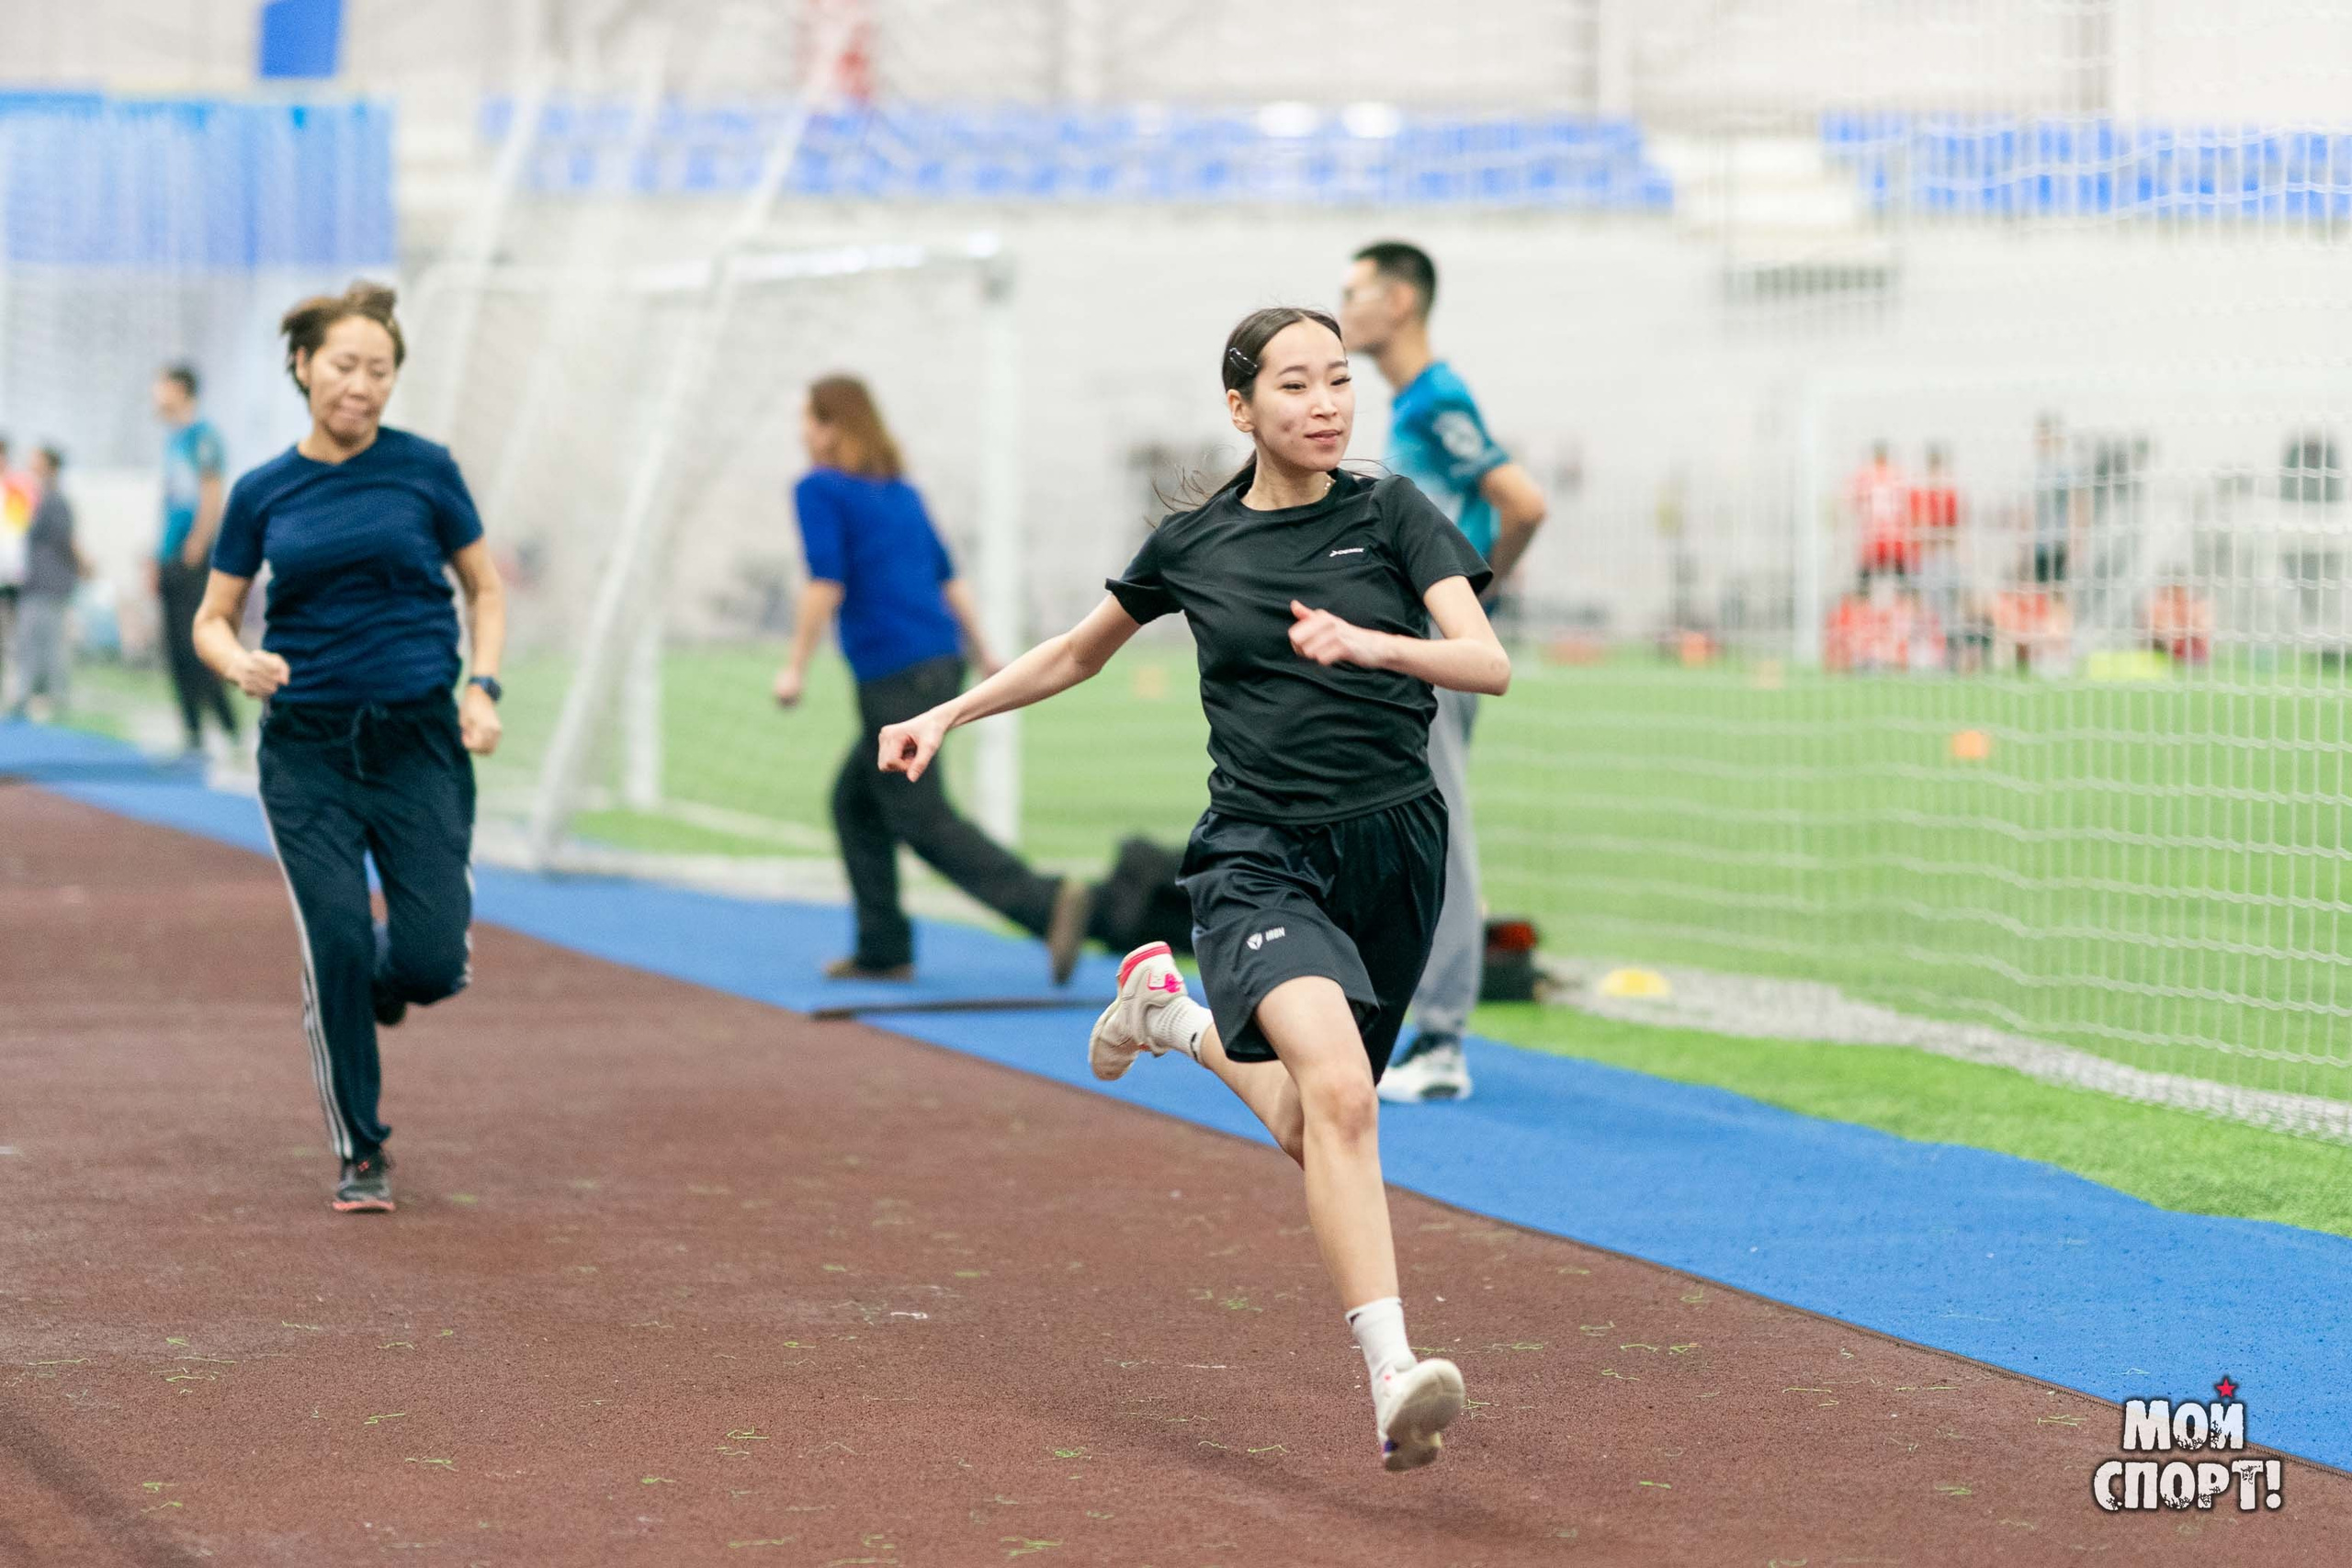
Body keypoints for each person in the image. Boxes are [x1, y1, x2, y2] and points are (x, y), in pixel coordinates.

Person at [875, 307, 1509, 1472]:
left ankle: (1167, 1015)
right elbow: (1075, 652)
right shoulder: (1196, 543)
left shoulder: (1394, 515)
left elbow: (1487, 662)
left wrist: (1379, 646)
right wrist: (943, 712)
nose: (1324, 405)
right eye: (1294, 386)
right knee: (1345, 1103)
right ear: (1240, 408)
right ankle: (1392, 1377)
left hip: (1394, 847)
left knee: (1309, 1123)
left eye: (1337, 382)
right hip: (1259, 853)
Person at [191, 282, 506, 1215]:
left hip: (418, 740)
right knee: (331, 937)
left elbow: (483, 589)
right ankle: (360, 1147)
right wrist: (239, 661)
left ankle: (389, 970)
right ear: (302, 367)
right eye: (343, 365)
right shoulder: (263, 491)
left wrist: (481, 689)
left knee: (429, 965)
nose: (361, 385)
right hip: (309, 750)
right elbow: (211, 619)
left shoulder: (427, 470)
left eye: (379, 369)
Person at [774, 374, 1094, 985]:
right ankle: (883, 946)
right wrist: (982, 648)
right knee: (856, 804)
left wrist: (794, 666)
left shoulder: (820, 488)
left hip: (894, 671)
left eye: (809, 422)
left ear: (834, 426)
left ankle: (1046, 903)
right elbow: (948, 577)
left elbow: (825, 581)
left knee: (921, 817)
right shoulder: (900, 492)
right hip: (937, 661)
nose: (803, 435)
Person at [1337, 239, 1547, 1104]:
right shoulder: (1407, 402)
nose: (1342, 307)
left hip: (1433, 645)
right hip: (1411, 641)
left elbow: (1523, 501)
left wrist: (1473, 598)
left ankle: (1443, 1041)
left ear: (1400, 301)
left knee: (1441, 827)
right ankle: (1399, 1020)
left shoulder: (1436, 399)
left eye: (1353, 291)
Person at [153, 364, 243, 755]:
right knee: (173, 646)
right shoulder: (171, 439)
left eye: (161, 384)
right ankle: (191, 732)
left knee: (198, 644)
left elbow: (211, 493)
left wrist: (198, 542)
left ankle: (230, 729)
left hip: (194, 555)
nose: (155, 393)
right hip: (170, 556)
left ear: (180, 388)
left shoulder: (202, 437)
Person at [6, 446, 85, 719]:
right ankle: (31, 696)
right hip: (35, 583)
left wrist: (84, 566)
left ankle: (51, 698)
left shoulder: (55, 502)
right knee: (32, 643)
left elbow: (68, 541)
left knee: (48, 645)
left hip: (49, 586)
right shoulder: (36, 500)